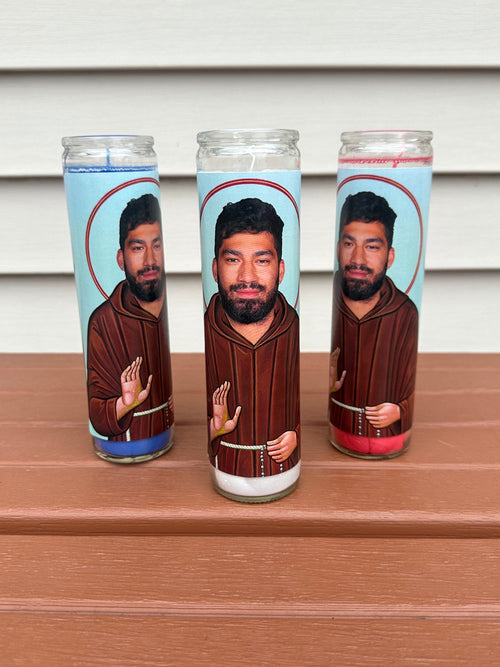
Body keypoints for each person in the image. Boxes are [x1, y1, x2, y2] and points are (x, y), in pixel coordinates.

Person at [204, 197, 300, 479]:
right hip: (227, 466)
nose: (247, 276)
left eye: (262, 260)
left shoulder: (292, 328)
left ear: (281, 269)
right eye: (233, 260)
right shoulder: (208, 328)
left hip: (282, 467)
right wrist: (215, 429)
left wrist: (295, 435)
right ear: (215, 268)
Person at [329, 191, 418, 457]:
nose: (358, 259)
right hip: (340, 424)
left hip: (387, 436)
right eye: (349, 243)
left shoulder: (404, 313)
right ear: (338, 247)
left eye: (371, 247)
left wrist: (400, 410)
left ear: (389, 256)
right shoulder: (337, 294)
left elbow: (408, 381)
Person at [86, 193, 174, 445]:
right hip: (124, 439)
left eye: (156, 246)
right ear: (121, 258)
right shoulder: (103, 322)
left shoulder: (167, 307)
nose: (149, 260)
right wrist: (125, 403)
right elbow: (96, 410)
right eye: (138, 248)